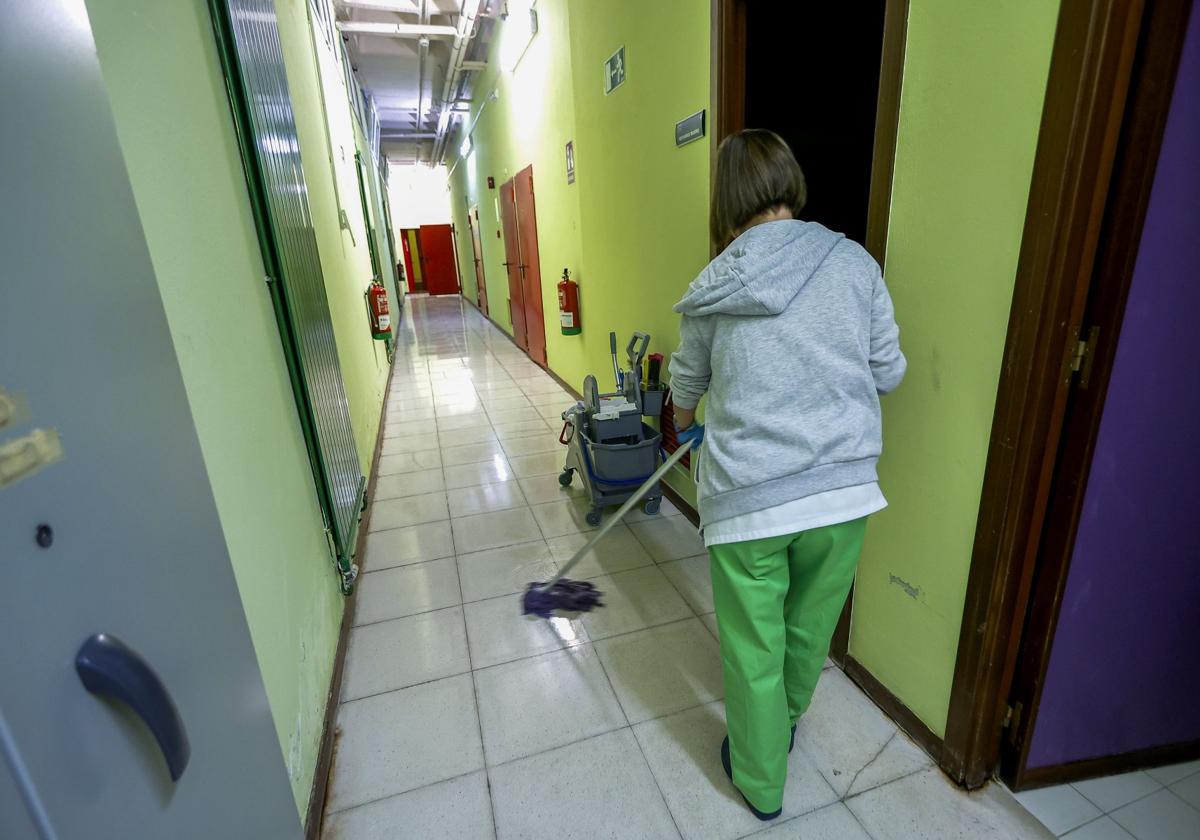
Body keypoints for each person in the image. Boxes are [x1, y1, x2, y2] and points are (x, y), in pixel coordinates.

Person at [668, 128, 906, 821]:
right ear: (788, 184)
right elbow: (888, 370)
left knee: (753, 647)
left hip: (749, 500)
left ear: (726, 201)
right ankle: (785, 720)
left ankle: (760, 780)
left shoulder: (715, 284)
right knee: (807, 632)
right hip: (841, 497)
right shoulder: (854, 263)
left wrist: (682, 427)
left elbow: (686, 383)